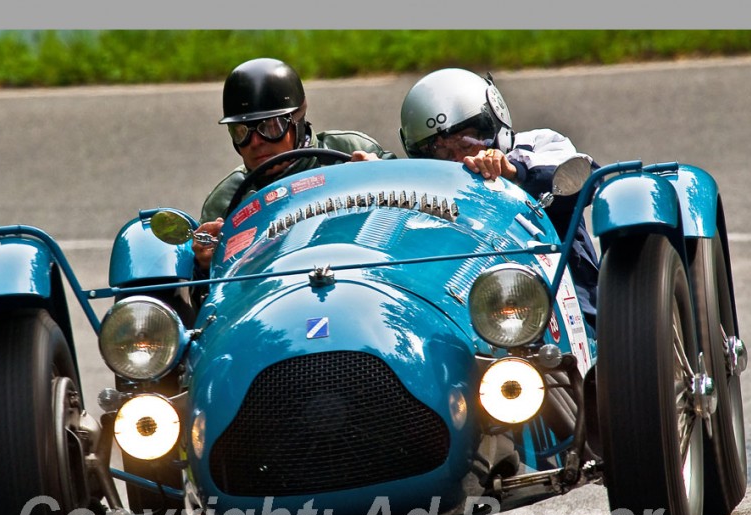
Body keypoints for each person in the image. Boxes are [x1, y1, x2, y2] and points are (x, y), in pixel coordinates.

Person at [398, 67, 599, 327]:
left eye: (466, 144)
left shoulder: (539, 144)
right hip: (471, 314)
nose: (461, 159)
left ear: (492, 122)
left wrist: (513, 174)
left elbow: (589, 179)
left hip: (567, 307)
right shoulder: (423, 187)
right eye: (442, 153)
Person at [193, 57, 396, 274]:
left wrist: (383, 178)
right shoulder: (225, 201)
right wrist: (203, 264)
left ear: (297, 122)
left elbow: (415, 206)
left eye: (271, 127)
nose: (255, 142)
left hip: (363, 274)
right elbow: (207, 294)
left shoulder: (350, 150)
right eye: (241, 131)